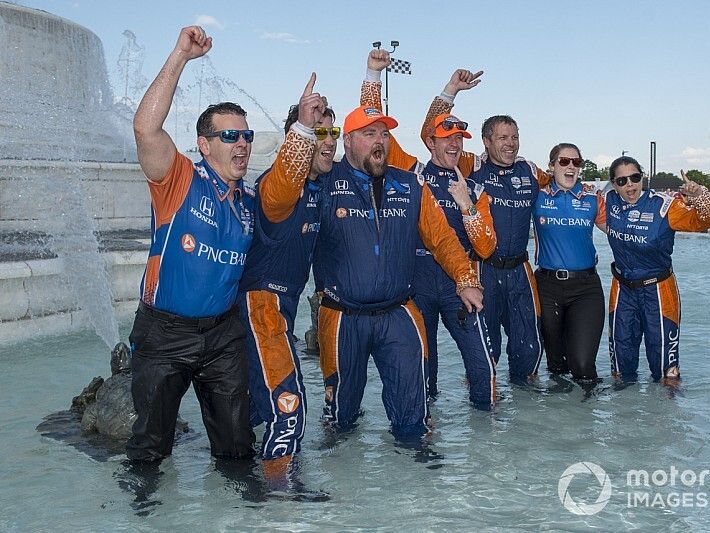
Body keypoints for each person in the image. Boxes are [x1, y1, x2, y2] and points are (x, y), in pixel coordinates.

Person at [314, 103, 483, 440]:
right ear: (347, 141)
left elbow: (443, 239)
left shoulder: (410, 185)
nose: (380, 141)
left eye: (384, 133)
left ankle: (419, 486)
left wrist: (465, 280)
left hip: (399, 313)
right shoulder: (324, 183)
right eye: (369, 133)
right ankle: (343, 485)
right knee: (340, 422)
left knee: (413, 421)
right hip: (342, 316)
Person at [126, 26, 255, 462]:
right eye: (230, 136)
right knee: (149, 450)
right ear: (204, 144)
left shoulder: (248, 201)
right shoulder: (179, 179)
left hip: (222, 335)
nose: (242, 144)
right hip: (164, 333)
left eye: (247, 135)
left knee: (238, 447)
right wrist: (181, 55)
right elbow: (145, 130)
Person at [361, 57, 499, 406]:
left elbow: (485, 248)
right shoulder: (410, 172)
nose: (454, 144)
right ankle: (426, 432)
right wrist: (373, 75)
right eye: (446, 138)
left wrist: (467, 206)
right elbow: (373, 125)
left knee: (482, 364)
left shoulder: (476, 188)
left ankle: (492, 447)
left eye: (459, 139)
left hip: (460, 283)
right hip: (416, 280)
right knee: (424, 368)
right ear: (430, 142)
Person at [236, 74, 331, 481]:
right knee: (289, 405)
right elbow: (281, 187)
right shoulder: (277, 185)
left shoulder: (321, 185)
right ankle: (277, 492)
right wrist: (303, 130)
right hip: (262, 304)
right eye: (319, 132)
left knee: (262, 407)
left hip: (281, 309)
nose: (329, 141)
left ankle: (254, 477)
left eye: (333, 131)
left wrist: (372, 76)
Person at [604, 156, 710, 383]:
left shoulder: (665, 206)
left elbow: (703, 221)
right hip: (622, 290)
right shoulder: (608, 201)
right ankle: (622, 415)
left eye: (634, 178)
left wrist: (700, 195)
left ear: (642, 177)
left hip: (659, 291)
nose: (630, 185)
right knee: (620, 370)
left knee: (666, 372)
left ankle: (665, 415)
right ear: (614, 184)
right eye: (622, 181)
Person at [471, 116, 549, 384]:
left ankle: (527, 416)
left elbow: (561, 182)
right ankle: (482, 412)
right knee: (483, 349)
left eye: (514, 137)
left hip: (520, 269)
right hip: (484, 269)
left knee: (529, 345)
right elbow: (432, 141)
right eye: (503, 138)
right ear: (486, 141)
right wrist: (450, 92)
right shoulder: (473, 166)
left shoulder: (530, 170)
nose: (511, 144)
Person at [533, 143, 606, 382]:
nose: (571, 166)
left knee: (583, 366)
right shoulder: (537, 196)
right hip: (546, 287)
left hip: (586, 288)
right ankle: (558, 417)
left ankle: (588, 416)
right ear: (552, 166)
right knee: (556, 365)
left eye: (576, 162)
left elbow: (619, 232)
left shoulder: (593, 199)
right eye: (564, 161)